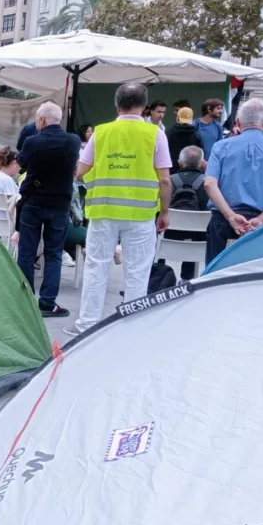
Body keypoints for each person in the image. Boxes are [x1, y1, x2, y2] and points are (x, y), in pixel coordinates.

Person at [67, 82, 173, 336]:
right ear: (144, 107)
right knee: (137, 269)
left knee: (96, 266)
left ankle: (87, 324)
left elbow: (80, 170)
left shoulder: (100, 133)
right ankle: (132, 325)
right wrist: (165, 212)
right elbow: (165, 179)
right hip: (141, 214)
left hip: (103, 211)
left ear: (116, 105)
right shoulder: (155, 134)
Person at [203, 98, 263, 264]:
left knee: (215, 273)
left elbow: (209, 183)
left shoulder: (221, 147)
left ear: (238, 122)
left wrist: (230, 215)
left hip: (223, 220)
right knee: (255, 274)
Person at [15, 101, 81, 317]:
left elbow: (21, 163)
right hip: (59, 204)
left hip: (33, 202)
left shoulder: (33, 141)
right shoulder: (73, 141)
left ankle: (25, 302)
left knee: (27, 252)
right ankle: (48, 303)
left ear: (41, 120)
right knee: (54, 254)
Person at [163, 145, 209, 281]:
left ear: (179, 163)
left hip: (167, 237)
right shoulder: (207, 184)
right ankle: (186, 278)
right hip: (198, 242)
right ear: (202, 164)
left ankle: (159, 274)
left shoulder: (168, 181)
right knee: (197, 229)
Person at [166, 106, 201, 174]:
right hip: (192, 171)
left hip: (172, 171)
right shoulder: (196, 135)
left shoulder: (169, 133)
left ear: (177, 117)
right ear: (191, 119)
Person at [0, 146, 19, 221]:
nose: (19, 168)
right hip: (7, 221)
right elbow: (13, 205)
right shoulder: (7, 180)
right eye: (18, 165)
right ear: (14, 163)